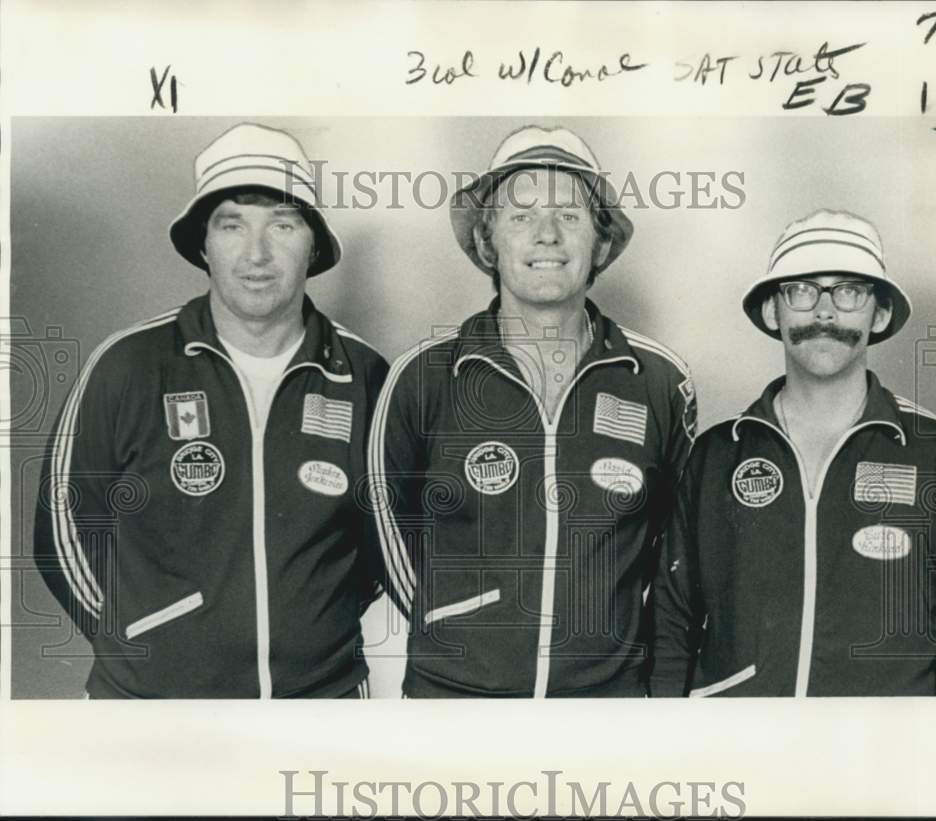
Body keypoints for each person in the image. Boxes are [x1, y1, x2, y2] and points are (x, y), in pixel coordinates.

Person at [34, 123, 388, 698]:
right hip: (152, 709)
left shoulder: (367, 377)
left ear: (314, 246)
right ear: (203, 244)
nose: (257, 253)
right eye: (232, 225)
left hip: (322, 705)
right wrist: (134, 642)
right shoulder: (128, 365)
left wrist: (314, 626)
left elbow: (391, 540)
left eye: (282, 223)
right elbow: (61, 527)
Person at [369, 125, 697, 697]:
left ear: (600, 243)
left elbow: (674, 545)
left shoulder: (660, 383)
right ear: (488, 241)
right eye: (520, 216)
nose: (547, 235)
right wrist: (458, 626)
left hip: (605, 710)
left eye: (569, 216)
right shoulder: (424, 377)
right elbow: (383, 525)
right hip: (454, 707)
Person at [651, 209, 936, 697]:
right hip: (740, 754)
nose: (825, 313)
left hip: (882, 757)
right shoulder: (715, 457)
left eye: (849, 291)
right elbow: (670, 623)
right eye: (802, 291)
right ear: (774, 310)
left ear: (880, 313)